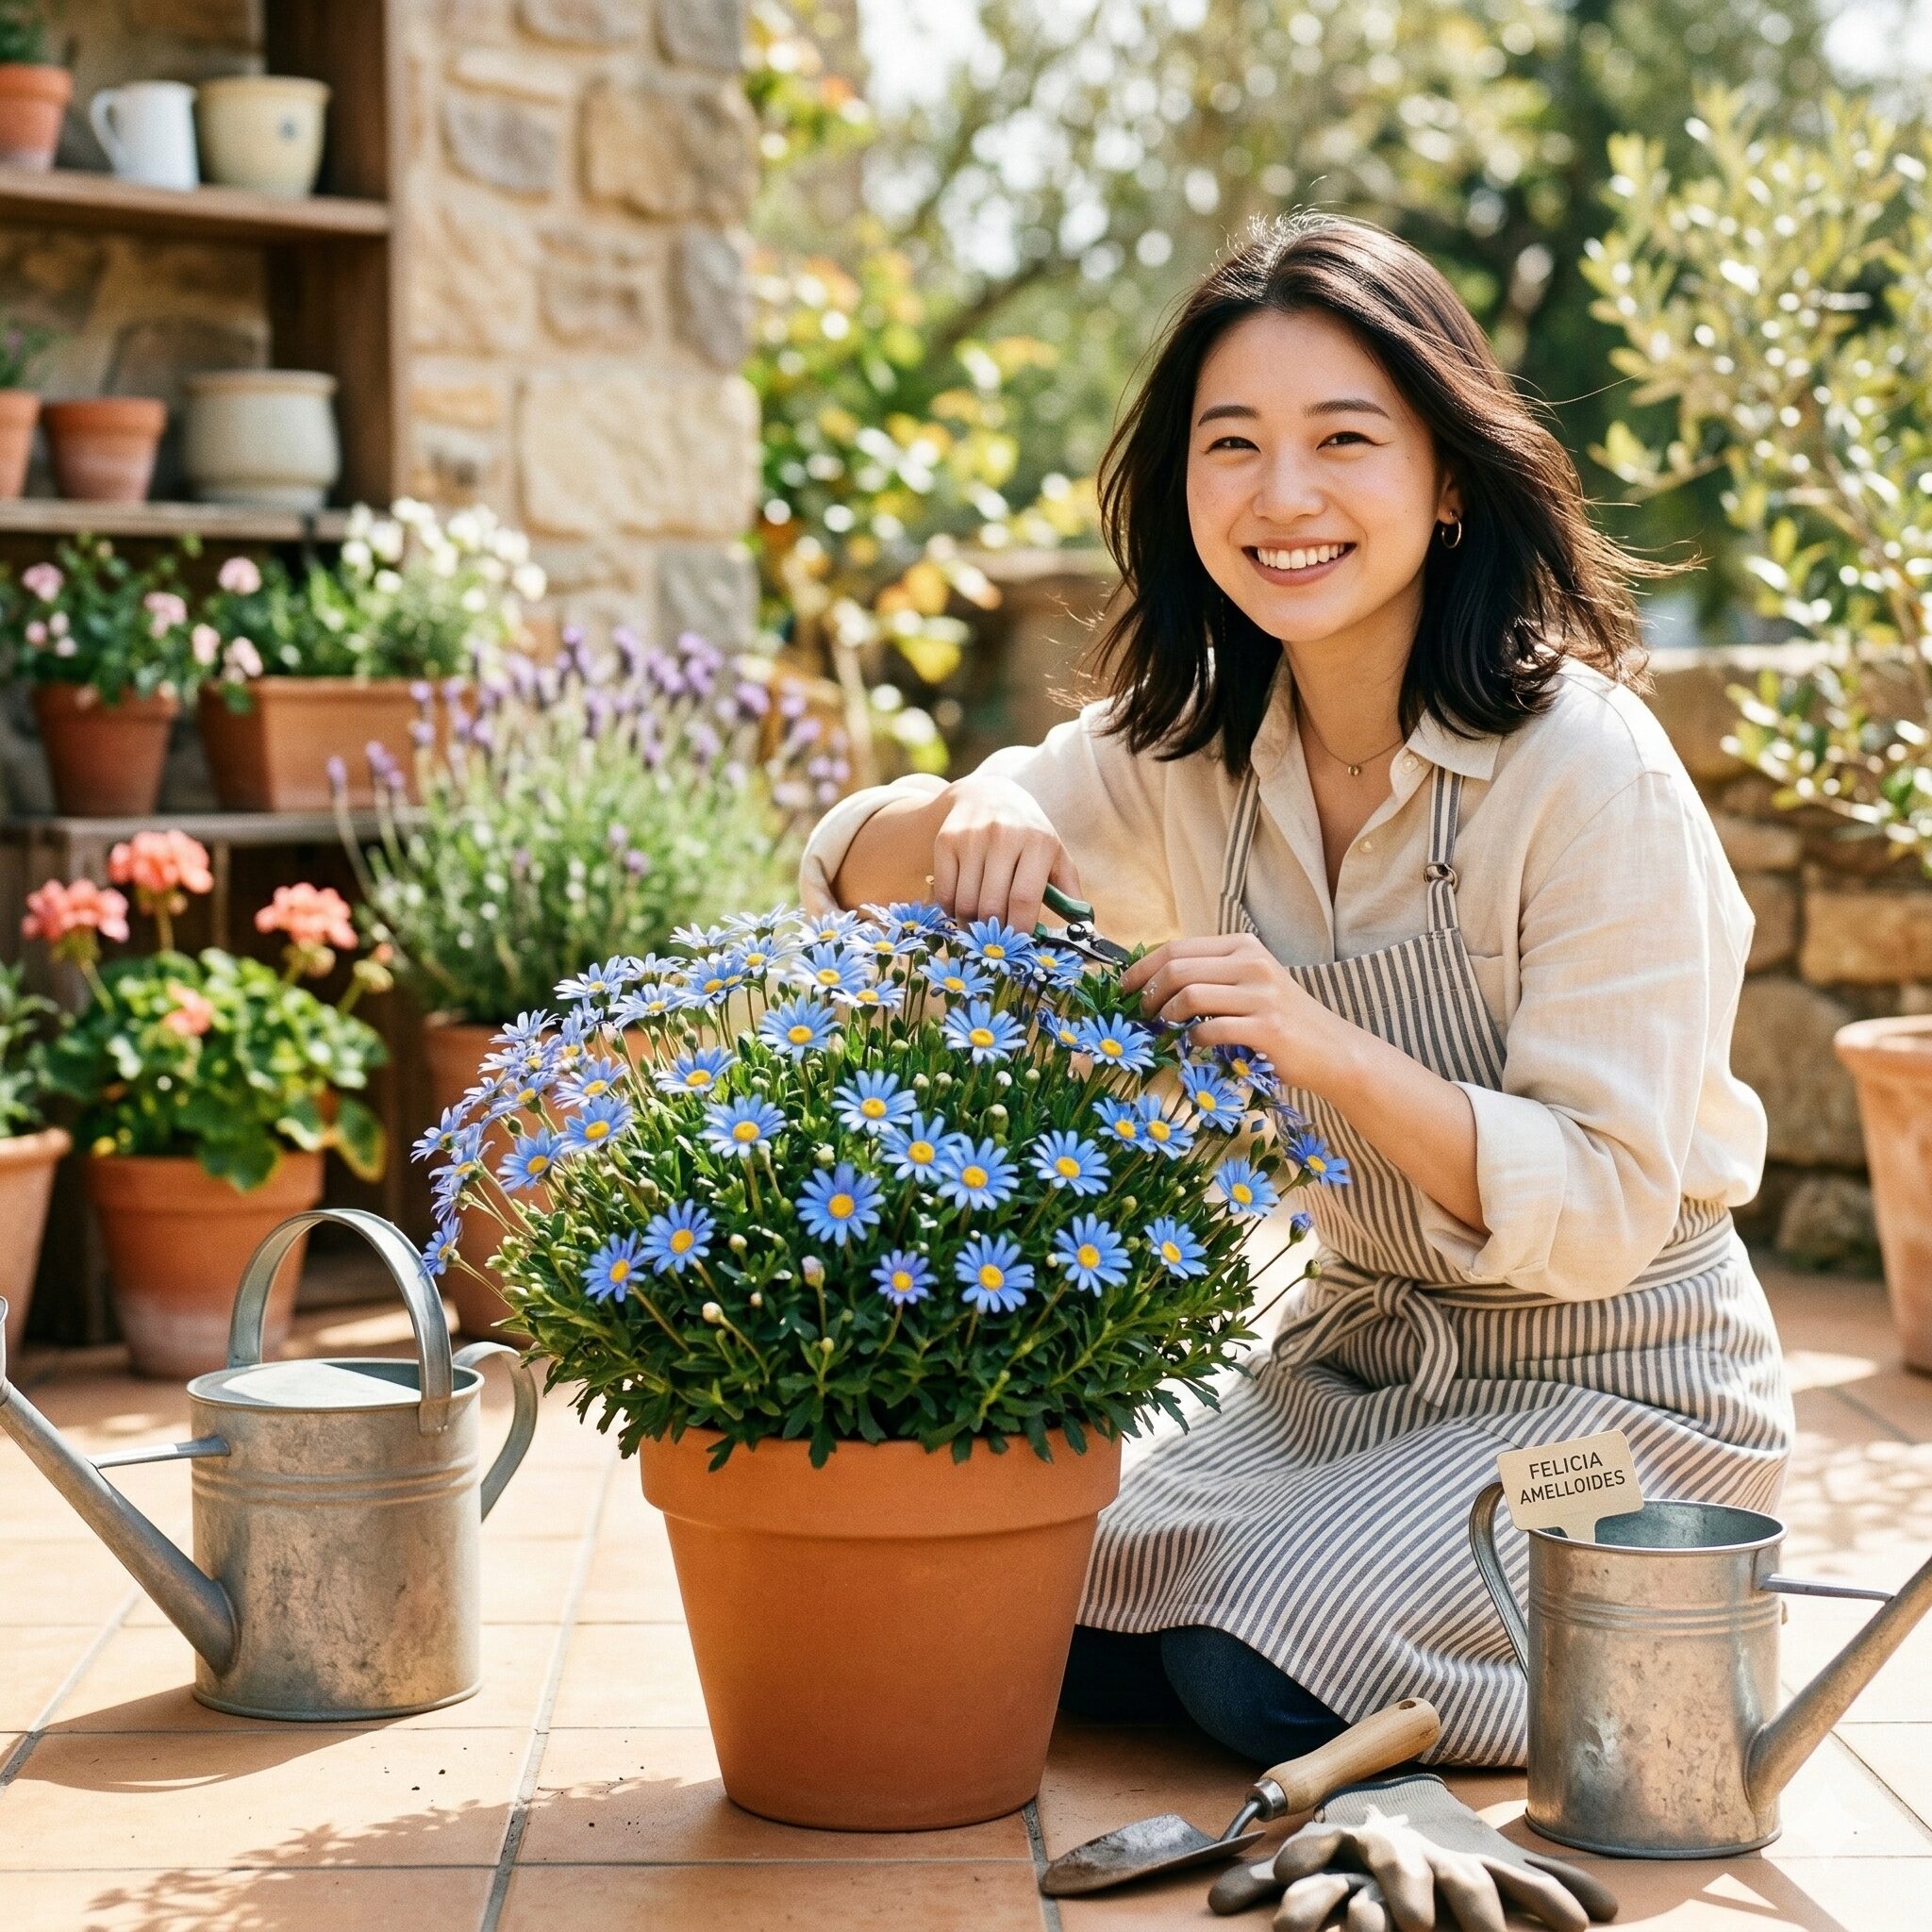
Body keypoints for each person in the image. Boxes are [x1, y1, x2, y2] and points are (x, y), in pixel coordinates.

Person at [796, 211, 1793, 1767]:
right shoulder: (1193, 742)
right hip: (1354, 1371)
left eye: (1344, 440)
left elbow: (1601, 1206)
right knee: (1036, 1568)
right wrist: (956, 812)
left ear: (1449, 477)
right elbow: (853, 864)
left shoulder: (1589, 771)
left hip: (1620, 1407)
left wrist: (1326, 1050)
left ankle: (1648, 1620)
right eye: (1232, 445)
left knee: (1253, 1653)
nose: (1283, 499)